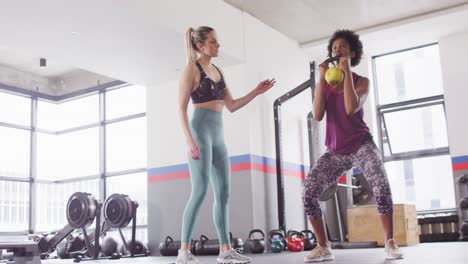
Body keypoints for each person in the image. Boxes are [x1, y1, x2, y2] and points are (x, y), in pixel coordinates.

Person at [302, 29, 404, 262]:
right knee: (308, 192)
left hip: (360, 145)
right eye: (334, 48)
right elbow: (317, 115)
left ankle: (389, 242)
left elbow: (350, 108)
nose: (337, 51)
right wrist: (320, 80)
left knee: (380, 183)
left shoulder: (362, 81)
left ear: (352, 53)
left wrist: (347, 73)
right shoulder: (326, 84)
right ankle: (323, 246)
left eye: (343, 48)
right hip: (335, 151)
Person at [176, 26, 275, 264]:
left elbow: (231, 105)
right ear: (201, 46)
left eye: (217, 41)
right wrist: (190, 141)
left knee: (224, 193)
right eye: (213, 41)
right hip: (200, 133)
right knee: (199, 192)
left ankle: (225, 251)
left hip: (219, 136)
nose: (218, 45)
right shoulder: (192, 69)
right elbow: (180, 109)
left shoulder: (218, 71)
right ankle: (183, 252)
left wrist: (257, 92)